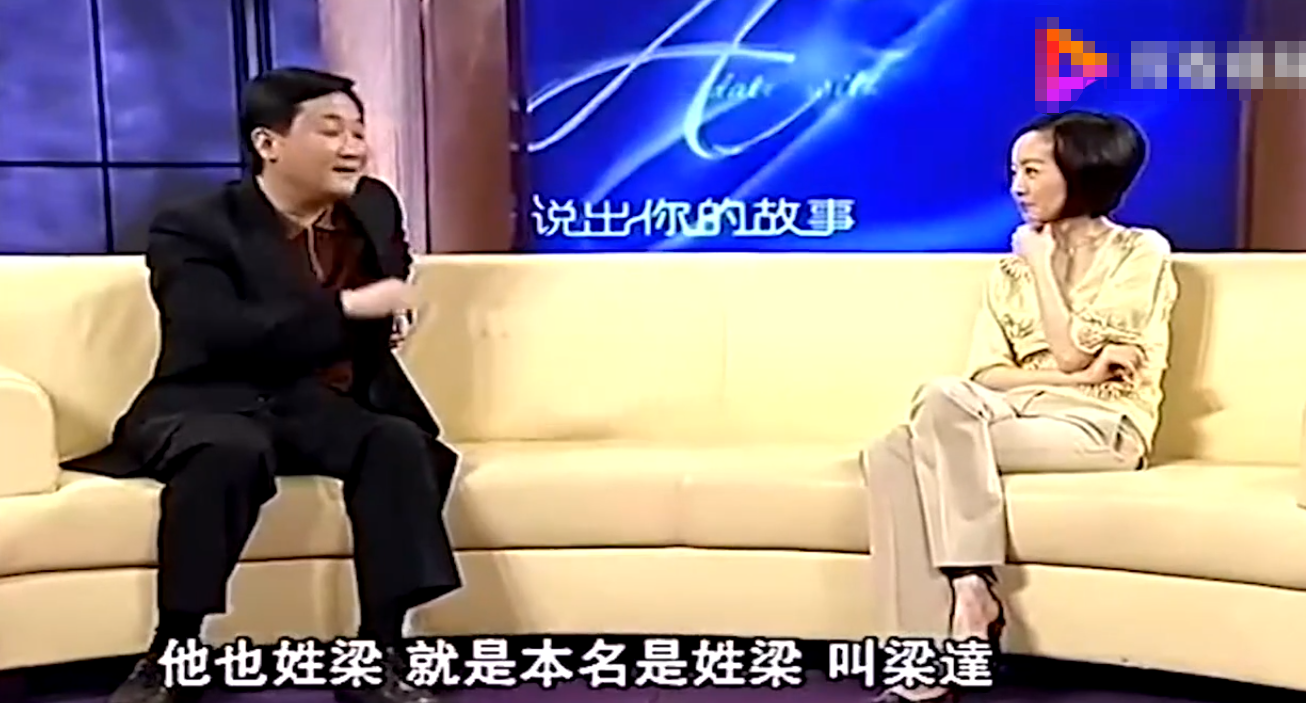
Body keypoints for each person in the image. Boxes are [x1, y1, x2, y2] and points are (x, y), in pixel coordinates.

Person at [82, 68, 460, 703]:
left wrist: (390, 309)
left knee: (397, 444)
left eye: (359, 131)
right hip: (212, 396)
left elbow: (391, 268)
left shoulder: (372, 204)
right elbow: (215, 331)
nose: (354, 147)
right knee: (228, 453)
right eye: (331, 130)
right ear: (268, 143)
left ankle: (378, 652)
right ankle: (173, 652)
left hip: (319, 403)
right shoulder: (194, 226)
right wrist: (347, 309)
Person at [861, 111, 1177, 702]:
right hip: (1015, 416)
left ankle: (961, 606)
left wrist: (1041, 268)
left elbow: (1073, 348)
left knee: (896, 451)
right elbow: (987, 374)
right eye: (1014, 172)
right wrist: (1075, 372)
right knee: (931, 405)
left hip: (1100, 426)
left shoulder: (1139, 252)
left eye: (1032, 171)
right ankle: (950, 624)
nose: (1017, 187)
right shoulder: (1006, 274)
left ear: (1080, 172)